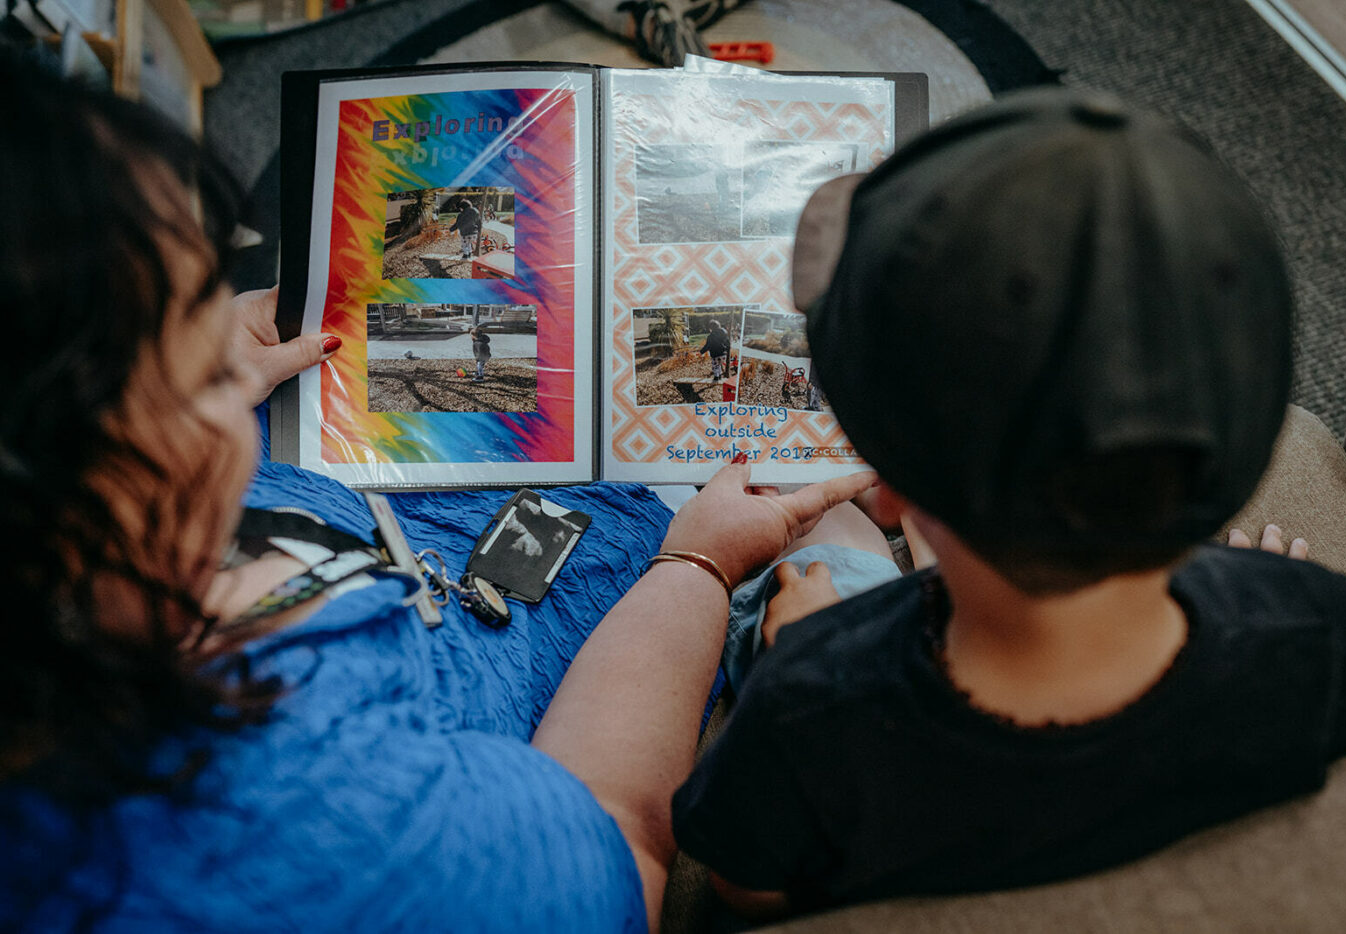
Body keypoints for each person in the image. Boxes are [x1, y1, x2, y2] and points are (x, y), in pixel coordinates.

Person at [0, 52, 873, 932]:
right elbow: (614, 846)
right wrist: (697, 566)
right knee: (807, 488)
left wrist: (207, 351)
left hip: (394, 477)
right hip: (561, 579)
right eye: (194, 368)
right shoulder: (327, 836)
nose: (226, 359)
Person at [670, 87, 1346, 920]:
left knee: (818, 537)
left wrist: (795, 647)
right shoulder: (1321, 629)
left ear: (891, 488)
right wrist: (1248, 593)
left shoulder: (808, 703)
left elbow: (748, 894)